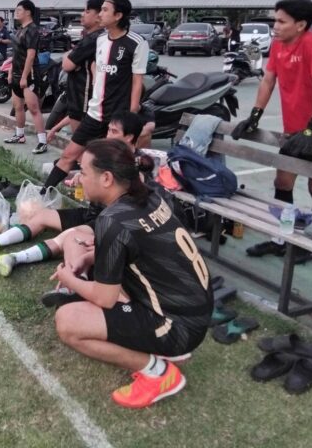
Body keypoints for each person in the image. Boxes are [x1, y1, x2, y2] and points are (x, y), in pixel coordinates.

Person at [51, 139, 212, 409]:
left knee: (67, 322)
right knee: (98, 269)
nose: (79, 178)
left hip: (178, 326)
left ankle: (158, 373)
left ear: (106, 178)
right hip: (194, 313)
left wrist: (69, 280)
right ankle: (161, 345)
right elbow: (140, 247)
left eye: (84, 172)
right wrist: (90, 257)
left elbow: (104, 298)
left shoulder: (112, 220)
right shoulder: (148, 194)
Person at [0, 112, 146, 277]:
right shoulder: (108, 155)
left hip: (104, 221)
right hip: (90, 213)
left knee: (68, 237)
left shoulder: (135, 166)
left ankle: (15, 258)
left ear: (129, 137)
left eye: (114, 131)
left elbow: (128, 203)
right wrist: (82, 177)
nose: (108, 135)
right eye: (108, 130)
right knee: (42, 215)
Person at [232, 0, 312, 264]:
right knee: (283, 182)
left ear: (301, 25)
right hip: (293, 131)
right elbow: (268, 81)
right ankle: (281, 239)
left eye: (281, 21)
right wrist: (254, 117)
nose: (276, 26)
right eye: (275, 20)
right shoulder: (279, 45)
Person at [41, 0, 148, 192]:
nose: (100, 14)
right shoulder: (99, 40)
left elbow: (137, 82)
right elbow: (95, 71)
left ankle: (124, 203)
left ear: (118, 15)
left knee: (113, 167)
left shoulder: (136, 43)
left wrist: (131, 114)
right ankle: (42, 195)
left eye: (105, 10)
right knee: (68, 156)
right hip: (94, 113)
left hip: (117, 118)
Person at [46, 0, 105, 143]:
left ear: (99, 17)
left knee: (82, 144)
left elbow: (67, 65)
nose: (82, 14)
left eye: (87, 11)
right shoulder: (92, 37)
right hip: (78, 97)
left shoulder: (93, 39)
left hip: (84, 97)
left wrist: (68, 56)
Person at [3, 0, 49, 154]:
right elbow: (16, 54)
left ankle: (42, 141)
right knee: (18, 107)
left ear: (28, 12)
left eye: (19, 10)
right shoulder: (19, 30)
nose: (16, 12)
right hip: (16, 73)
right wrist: (11, 71)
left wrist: (24, 77)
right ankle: (19, 135)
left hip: (29, 74)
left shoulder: (32, 30)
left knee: (34, 108)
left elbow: (31, 55)